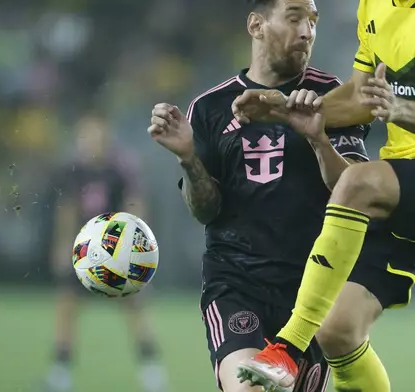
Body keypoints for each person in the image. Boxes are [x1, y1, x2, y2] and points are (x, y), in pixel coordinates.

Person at [232, 0, 415, 390]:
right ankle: (302, 344)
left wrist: (399, 108)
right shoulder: (374, 5)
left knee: (356, 182)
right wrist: (282, 111)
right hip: (407, 181)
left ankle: (287, 348)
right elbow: (362, 98)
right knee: (337, 331)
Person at [147, 0, 377, 390]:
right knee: (253, 387)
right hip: (237, 284)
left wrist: (319, 140)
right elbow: (206, 211)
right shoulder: (209, 108)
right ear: (256, 25)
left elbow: (357, 191)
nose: (307, 31)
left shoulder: (331, 96)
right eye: (294, 18)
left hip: (313, 292)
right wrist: (188, 158)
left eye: (313, 21)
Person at [42, 114, 168, 392]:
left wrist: (135, 246)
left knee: (135, 309)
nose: (90, 142)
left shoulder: (119, 169)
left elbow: (136, 204)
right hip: (84, 252)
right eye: (85, 136)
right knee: (66, 307)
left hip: (117, 253)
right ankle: (59, 376)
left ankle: (153, 376)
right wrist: (62, 246)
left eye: (95, 135)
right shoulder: (74, 170)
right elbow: (68, 209)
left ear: (106, 137)